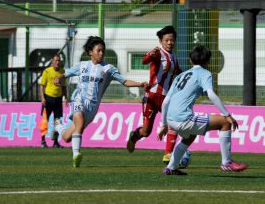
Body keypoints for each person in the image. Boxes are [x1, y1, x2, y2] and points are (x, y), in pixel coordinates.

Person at [52, 36, 147, 168]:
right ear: (90, 52)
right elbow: (65, 74)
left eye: (103, 51)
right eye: (98, 50)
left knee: (67, 137)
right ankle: (76, 155)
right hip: (78, 99)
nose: (101, 53)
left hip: (92, 107)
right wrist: (59, 77)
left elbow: (124, 82)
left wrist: (140, 84)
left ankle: (58, 126)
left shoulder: (108, 68)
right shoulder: (82, 66)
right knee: (78, 120)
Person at [157, 45, 248, 175]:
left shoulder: (180, 75)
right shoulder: (205, 73)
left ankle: (170, 168)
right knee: (225, 123)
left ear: (190, 61)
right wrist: (227, 114)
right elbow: (211, 94)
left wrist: (164, 125)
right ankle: (226, 162)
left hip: (171, 119)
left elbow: (165, 102)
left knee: (190, 136)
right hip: (184, 118)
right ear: (208, 61)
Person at [126, 26, 182, 164]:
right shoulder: (158, 53)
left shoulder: (174, 57)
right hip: (152, 97)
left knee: (173, 124)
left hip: (167, 99)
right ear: (161, 41)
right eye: (167, 40)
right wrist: (150, 55)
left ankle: (168, 155)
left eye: (172, 40)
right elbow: (144, 61)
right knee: (146, 132)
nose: (170, 43)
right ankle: (134, 137)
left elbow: (178, 73)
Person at [39, 54, 68, 148]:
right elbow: (42, 86)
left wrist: (66, 97)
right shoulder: (47, 71)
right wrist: (43, 98)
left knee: (57, 122)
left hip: (58, 100)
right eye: (56, 60)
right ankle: (43, 141)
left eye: (59, 60)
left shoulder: (62, 72)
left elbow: (64, 86)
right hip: (48, 99)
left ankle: (55, 142)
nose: (57, 62)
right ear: (52, 62)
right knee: (45, 120)